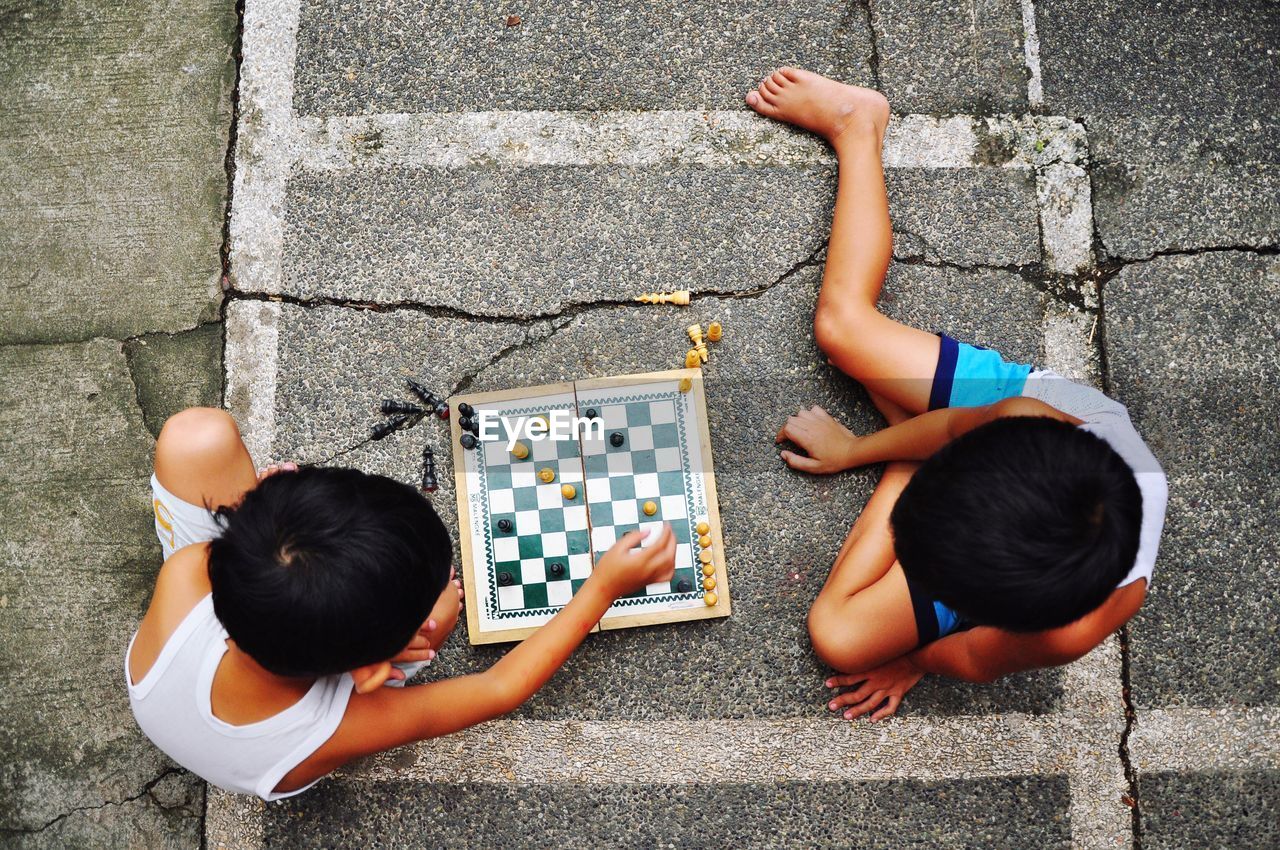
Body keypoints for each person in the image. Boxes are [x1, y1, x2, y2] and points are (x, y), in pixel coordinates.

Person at [748, 69, 1167, 721]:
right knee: (840, 328)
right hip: (1013, 426)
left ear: (988, 607)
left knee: (838, 639)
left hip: (1006, 488)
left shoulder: (1069, 630)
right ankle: (859, 126)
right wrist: (856, 450)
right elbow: (948, 432)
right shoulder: (1025, 414)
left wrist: (913, 659)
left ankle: (903, 472)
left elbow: (972, 658)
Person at [126, 408, 675, 798]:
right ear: (367, 674)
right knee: (443, 608)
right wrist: (603, 587)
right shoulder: (329, 731)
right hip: (274, 748)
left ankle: (282, 553)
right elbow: (499, 688)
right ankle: (393, 628)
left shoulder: (185, 573)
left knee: (198, 436)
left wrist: (266, 516)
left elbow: (246, 550)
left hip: (191, 642)